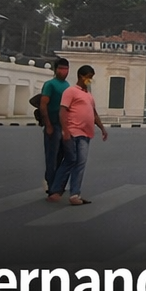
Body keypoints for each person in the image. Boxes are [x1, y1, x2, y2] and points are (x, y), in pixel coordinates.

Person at [47, 65, 107, 205]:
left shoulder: (88, 95)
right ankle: (55, 190)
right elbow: (63, 111)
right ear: (81, 76)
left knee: (80, 163)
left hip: (86, 134)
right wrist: (65, 130)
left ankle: (75, 194)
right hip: (73, 131)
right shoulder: (70, 91)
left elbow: (94, 114)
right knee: (70, 160)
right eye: (89, 77)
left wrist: (102, 128)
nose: (90, 80)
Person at [39, 58, 70, 194]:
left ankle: (57, 182)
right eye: (61, 68)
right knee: (51, 156)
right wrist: (48, 125)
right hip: (53, 124)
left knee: (63, 156)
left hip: (64, 125)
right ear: (55, 69)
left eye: (66, 68)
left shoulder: (67, 85)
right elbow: (43, 105)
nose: (64, 71)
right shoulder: (50, 85)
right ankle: (52, 186)